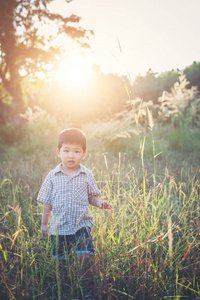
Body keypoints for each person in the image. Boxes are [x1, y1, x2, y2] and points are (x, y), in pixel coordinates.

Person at [37, 128, 113, 300]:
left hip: (82, 225)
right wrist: (44, 224)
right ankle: (63, 289)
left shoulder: (87, 174)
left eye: (76, 151)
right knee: (60, 262)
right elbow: (47, 203)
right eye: (66, 151)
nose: (71, 155)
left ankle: (86, 290)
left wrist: (99, 203)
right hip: (59, 227)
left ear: (84, 154)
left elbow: (92, 198)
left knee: (85, 257)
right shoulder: (52, 176)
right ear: (58, 152)